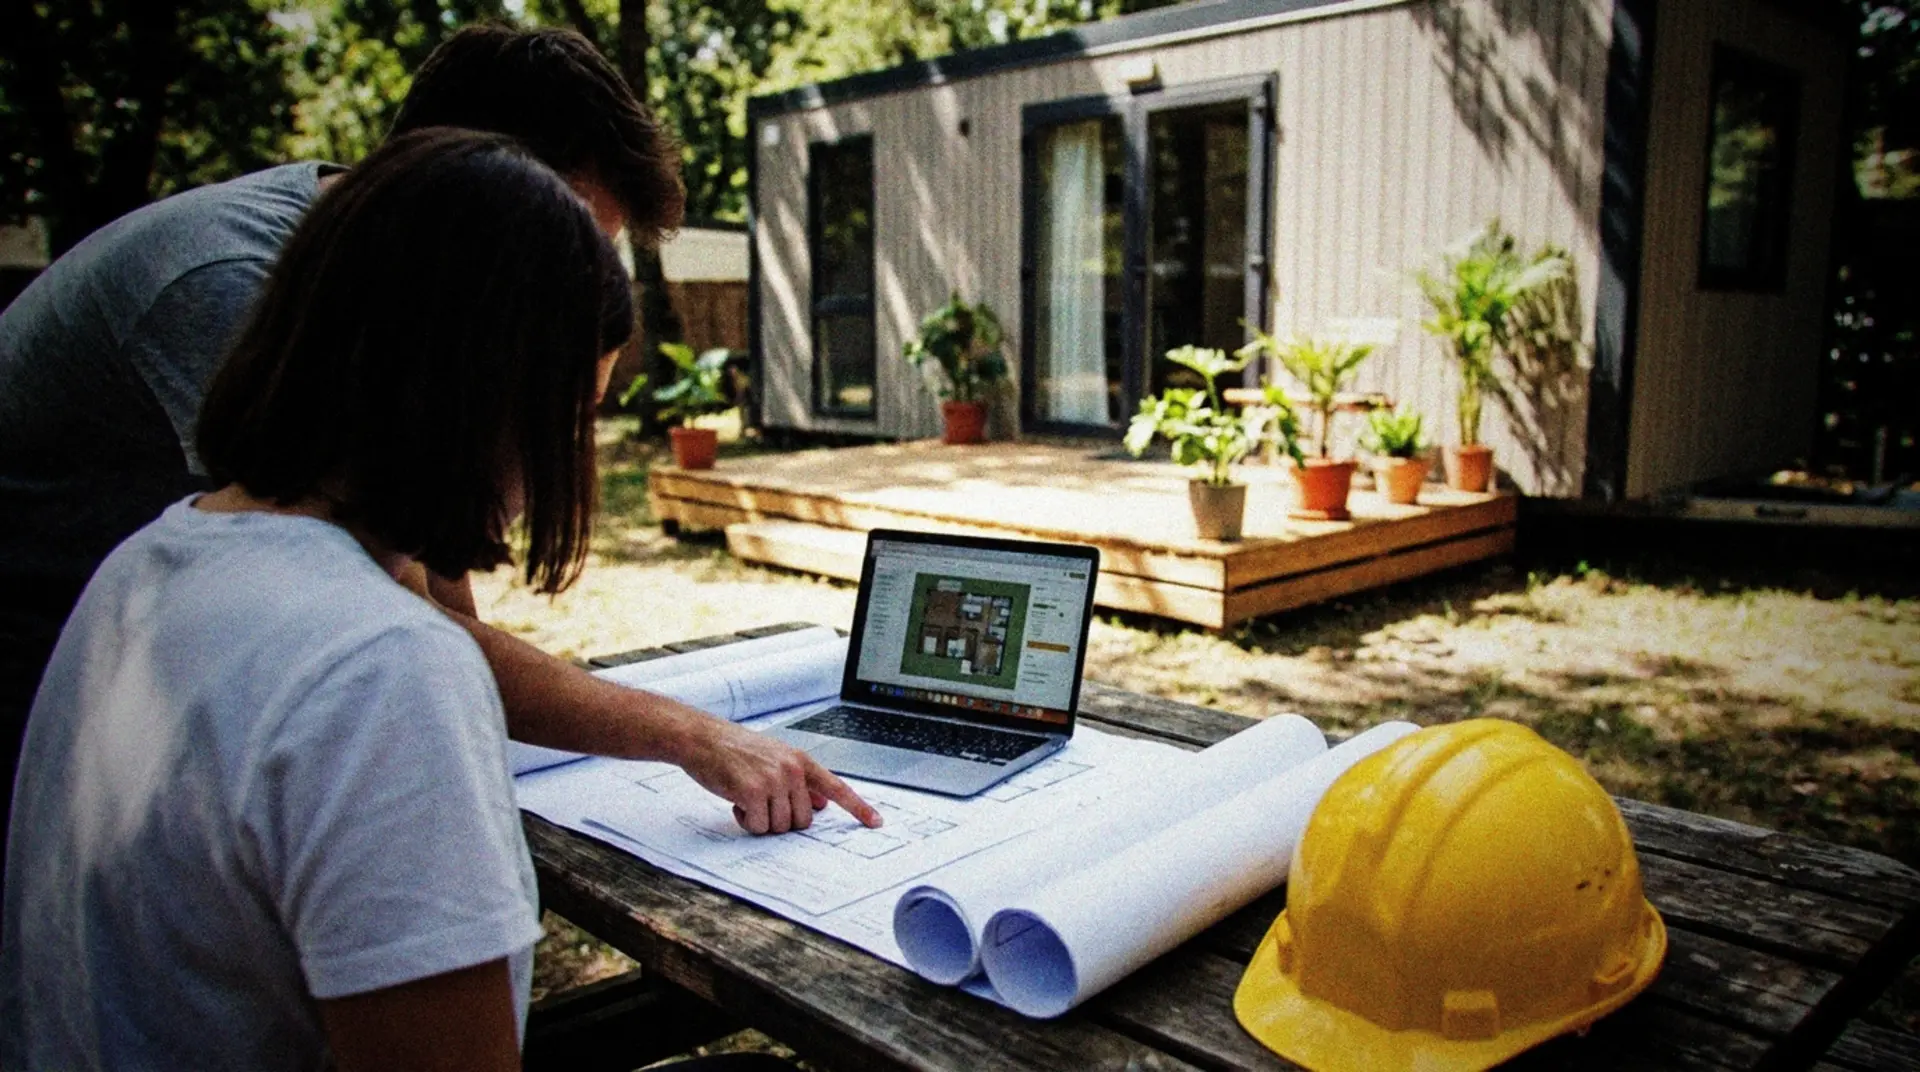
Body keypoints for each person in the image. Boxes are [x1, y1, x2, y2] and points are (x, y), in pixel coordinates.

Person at [0, 127, 805, 1071]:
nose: (561, 469)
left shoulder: (142, 568)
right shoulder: (382, 670)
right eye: (572, 418)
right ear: (491, 399)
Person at [0, 24, 878, 846]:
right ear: (462, 193)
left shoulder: (377, 301)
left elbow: (429, 591)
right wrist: (690, 736)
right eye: (557, 245)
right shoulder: (228, 289)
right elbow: (399, 624)